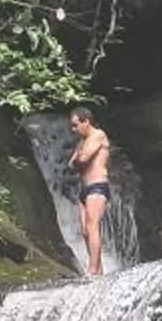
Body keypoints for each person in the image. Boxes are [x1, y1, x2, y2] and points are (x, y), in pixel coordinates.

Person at [64, 106, 114, 276]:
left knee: (93, 226)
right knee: (85, 231)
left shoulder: (98, 135)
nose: (73, 129)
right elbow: (71, 165)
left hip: (97, 185)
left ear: (86, 121)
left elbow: (83, 159)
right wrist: (78, 159)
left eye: (75, 125)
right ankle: (99, 269)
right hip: (84, 189)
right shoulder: (82, 142)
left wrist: (79, 159)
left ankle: (92, 269)